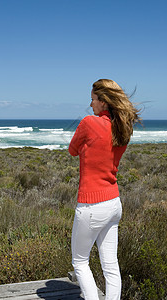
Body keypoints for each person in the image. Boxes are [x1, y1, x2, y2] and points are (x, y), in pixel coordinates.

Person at [68, 79, 141, 300]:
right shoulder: (122, 128)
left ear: (103, 101)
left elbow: (72, 150)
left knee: (80, 262)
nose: (90, 105)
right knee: (110, 266)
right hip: (113, 203)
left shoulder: (89, 123)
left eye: (92, 99)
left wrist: (86, 147)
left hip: (91, 205)